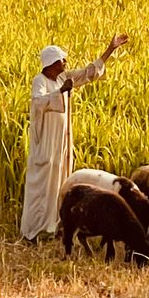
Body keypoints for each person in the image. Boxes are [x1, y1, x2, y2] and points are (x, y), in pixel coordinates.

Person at [20, 34, 128, 242]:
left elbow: (88, 73)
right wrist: (60, 92)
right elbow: (37, 104)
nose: (65, 62)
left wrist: (110, 50)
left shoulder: (62, 77)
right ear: (51, 63)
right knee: (43, 183)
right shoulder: (40, 81)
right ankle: (36, 228)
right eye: (62, 59)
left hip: (60, 142)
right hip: (46, 144)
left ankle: (55, 224)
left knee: (60, 180)